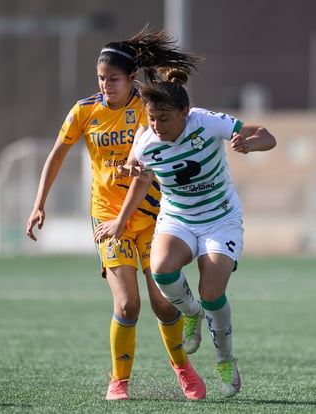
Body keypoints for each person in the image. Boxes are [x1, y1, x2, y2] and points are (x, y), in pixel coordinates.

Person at [26, 26, 207, 401]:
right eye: (101, 79)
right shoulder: (84, 110)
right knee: (127, 303)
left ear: (131, 79)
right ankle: (119, 382)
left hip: (152, 216)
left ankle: (183, 370)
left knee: (161, 301)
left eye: (113, 79)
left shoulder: (146, 106)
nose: (106, 85)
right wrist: (38, 203)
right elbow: (56, 155)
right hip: (108, 218)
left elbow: (141, 169)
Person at [94, 69, 276, 398]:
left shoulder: (206, 122)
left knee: (211, 292)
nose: (157, 127)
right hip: (178, 217)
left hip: (220, 218)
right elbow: (140, 175)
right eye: (151, 119)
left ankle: (224, 359)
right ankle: (190, 314)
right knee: (162, 269)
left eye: (164, 119)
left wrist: (250, 143)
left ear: (184, 114)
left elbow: (267, 135)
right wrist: (122, 212)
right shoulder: (147, 139)